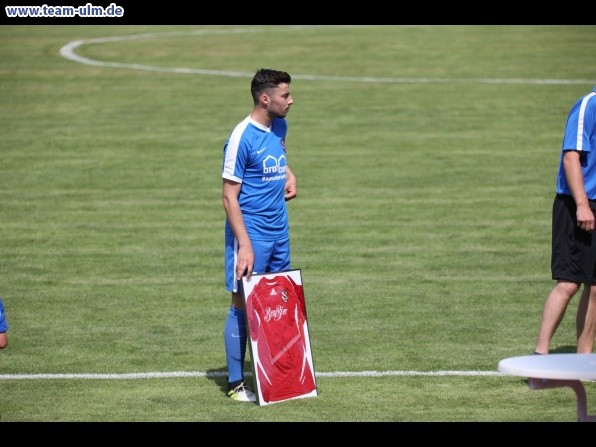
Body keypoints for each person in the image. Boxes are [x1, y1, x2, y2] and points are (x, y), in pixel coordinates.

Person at [221, 68, 297, 402]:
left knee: (276, 303)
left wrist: (289, 173)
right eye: (285, 95)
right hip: (251, 235)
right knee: (242, 304)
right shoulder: (241, 137)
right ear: (265, 99)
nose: (291, 100)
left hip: (279, 232)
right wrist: (246, 247)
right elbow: (228, 196)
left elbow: (276, 152)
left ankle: (276, 378)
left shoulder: (279, 124)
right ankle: (236, 383)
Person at [534, 85, 596, 355]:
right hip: (577, 204)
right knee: (569, 283)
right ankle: (539, 355)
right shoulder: (588, 106)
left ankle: (584, 360)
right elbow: (571, 158)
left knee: (595, 288)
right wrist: (582, 205)